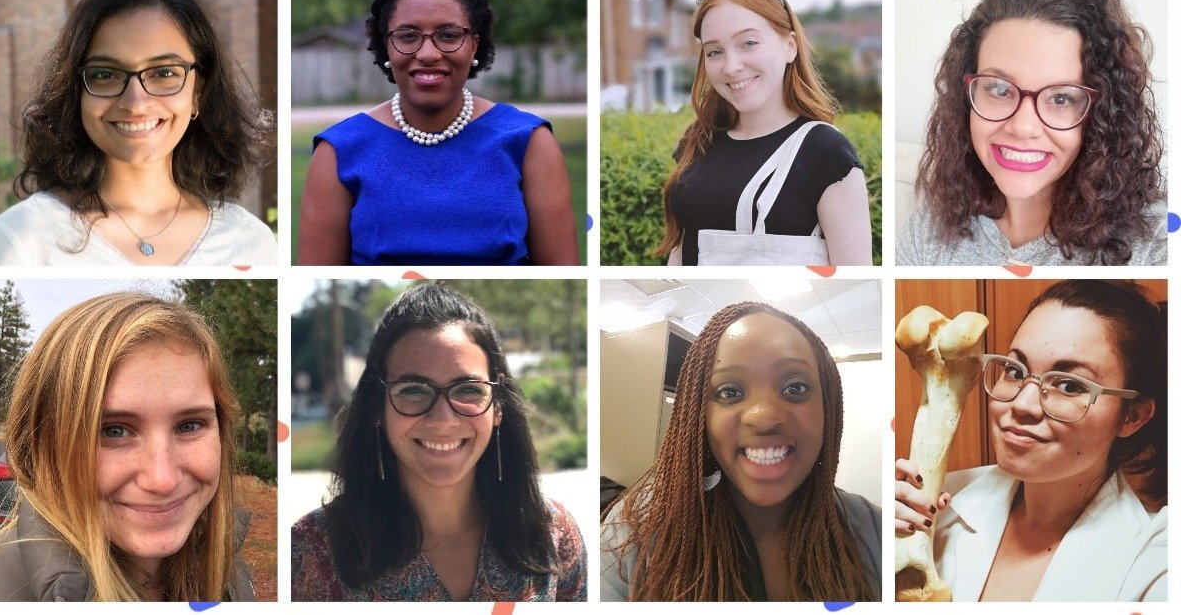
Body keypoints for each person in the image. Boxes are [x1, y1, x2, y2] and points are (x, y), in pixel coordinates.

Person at [291, 283, 586, 601]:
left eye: (468, 389)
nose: (443, 419)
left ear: (497, 407)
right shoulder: (313, 550)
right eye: (414, 390)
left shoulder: (552, 532)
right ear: (378, 408)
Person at [895, 280, 1167, 601]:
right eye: (1015, 371)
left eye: (1069, 386)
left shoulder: (1155, 563)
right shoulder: (936, 504)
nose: (1022, 404)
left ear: (1132, 416)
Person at [297, 0, 578, 266]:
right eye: (407, 36)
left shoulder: (529, 141)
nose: (428, 53)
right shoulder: (339, 151)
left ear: (474, 45)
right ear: (386, 47)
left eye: (448, 35)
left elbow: (562, 268)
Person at [601, 301, 880, 601]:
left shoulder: (872, 529)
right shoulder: (634, 532)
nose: (763, 417)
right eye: (730, 392)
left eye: (795, 388)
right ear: (699, 416)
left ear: (829, 410)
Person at [0, 0, 276, 267]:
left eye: (164, 73)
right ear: (75, 91)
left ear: (198, 92)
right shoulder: (22, 238)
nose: (135, 103)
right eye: (105, 74)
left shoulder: (251, 243)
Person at [897, 0, 1166, 265]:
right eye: (999, 89)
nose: (1023, 127)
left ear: (1103, 114)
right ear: (965, 97)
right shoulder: (927, 231)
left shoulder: (1155, 247)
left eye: (1062, 98)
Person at [0, 292, 254, 601]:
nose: (163, 480)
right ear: (41, 446)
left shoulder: (228, 570)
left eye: (189, 426)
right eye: (113, 431)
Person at [654, 0, 871, 266]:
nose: (731, 66)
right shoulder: (698, 140)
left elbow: (855, 269)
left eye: (749, 43)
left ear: (789, 46)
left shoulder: (825, 152)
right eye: (714, 52)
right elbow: (682, 250)